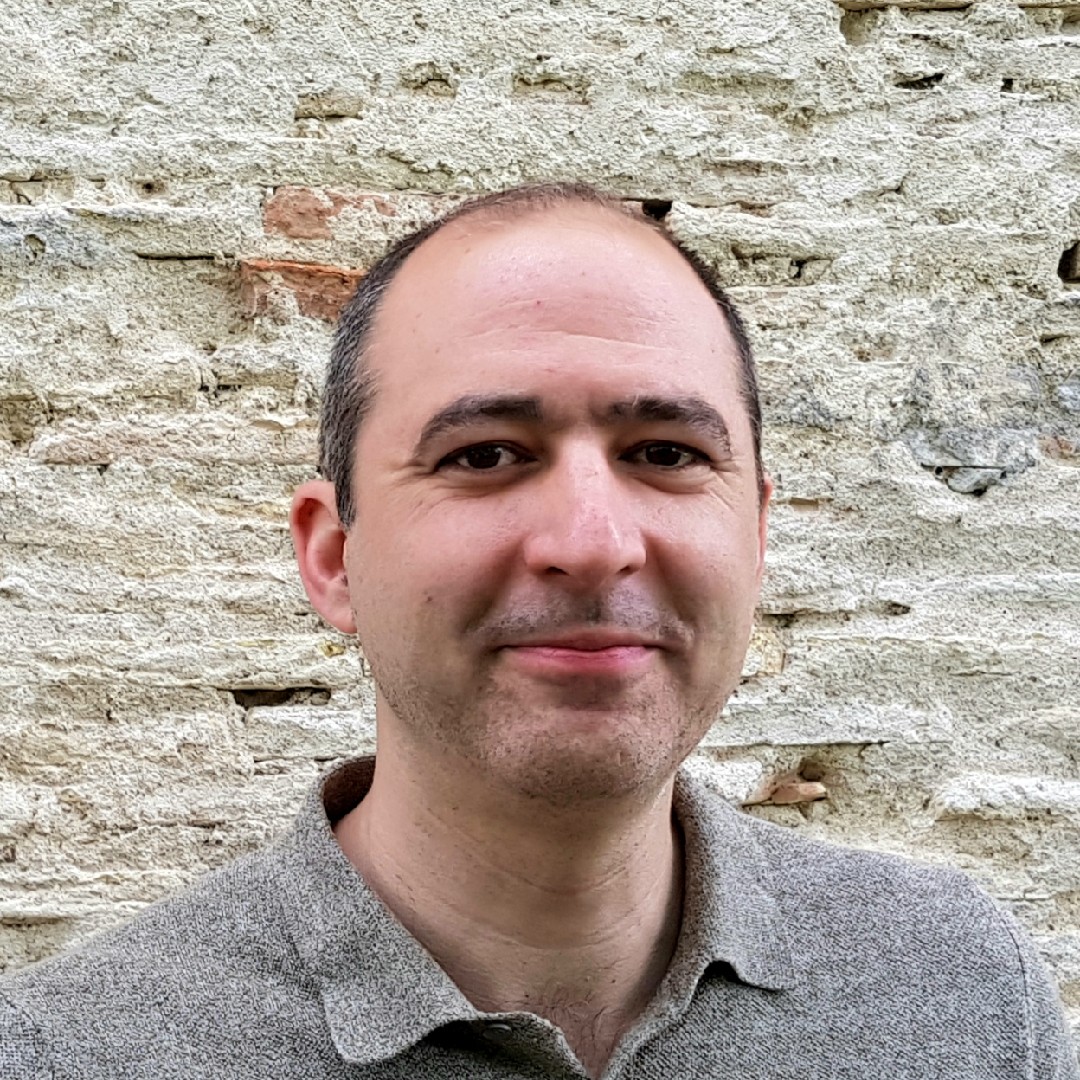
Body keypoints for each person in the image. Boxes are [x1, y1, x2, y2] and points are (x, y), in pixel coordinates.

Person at [1, 183, 1076, 1080]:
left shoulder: (965, 993)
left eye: (665, 454)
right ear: (334, 558)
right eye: (484, 455)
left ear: (756, 537)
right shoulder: (70, 1054)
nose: (592, 543)